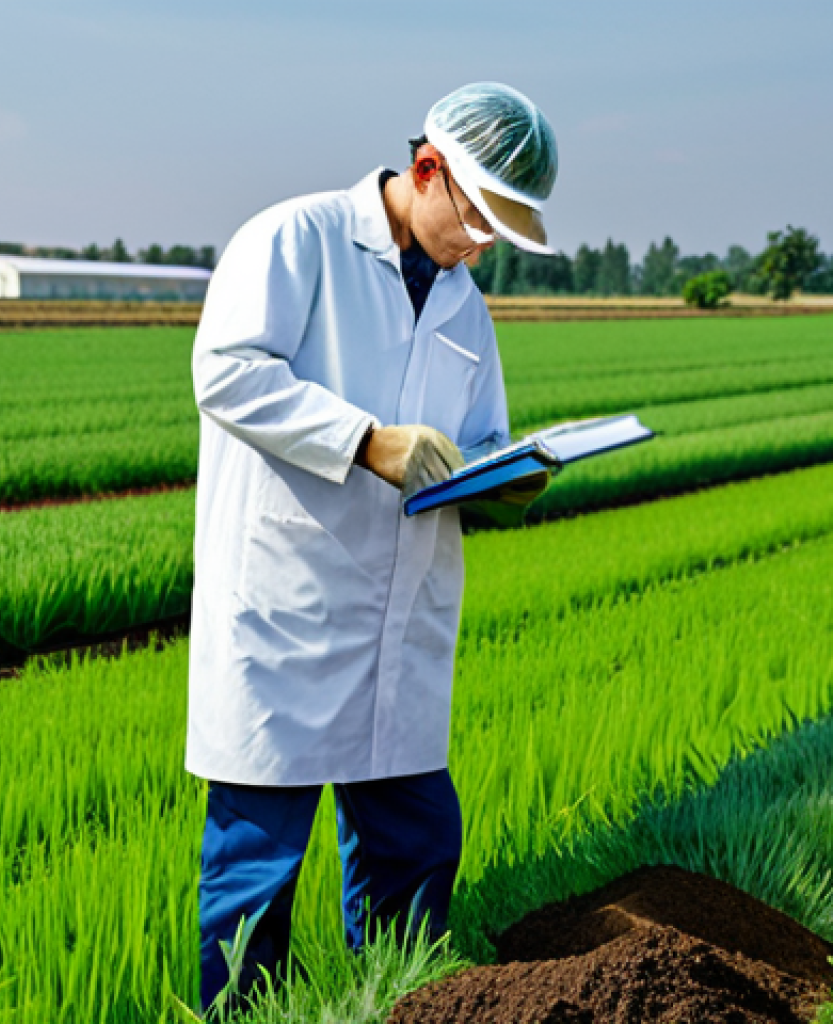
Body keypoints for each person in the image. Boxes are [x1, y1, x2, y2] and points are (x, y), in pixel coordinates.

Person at [187, 81, 558, 1012]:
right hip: (287, 611)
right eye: (476, 218)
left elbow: (478, 436)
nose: (480, 245)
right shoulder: (296, 238)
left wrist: (502, 479)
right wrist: (366, 441)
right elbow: (225, 372)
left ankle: (398, 1006)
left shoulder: (466, 305)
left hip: (404, 616)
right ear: (427, 169)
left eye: (499, 233)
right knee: (256, 870)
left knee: (417, 846)